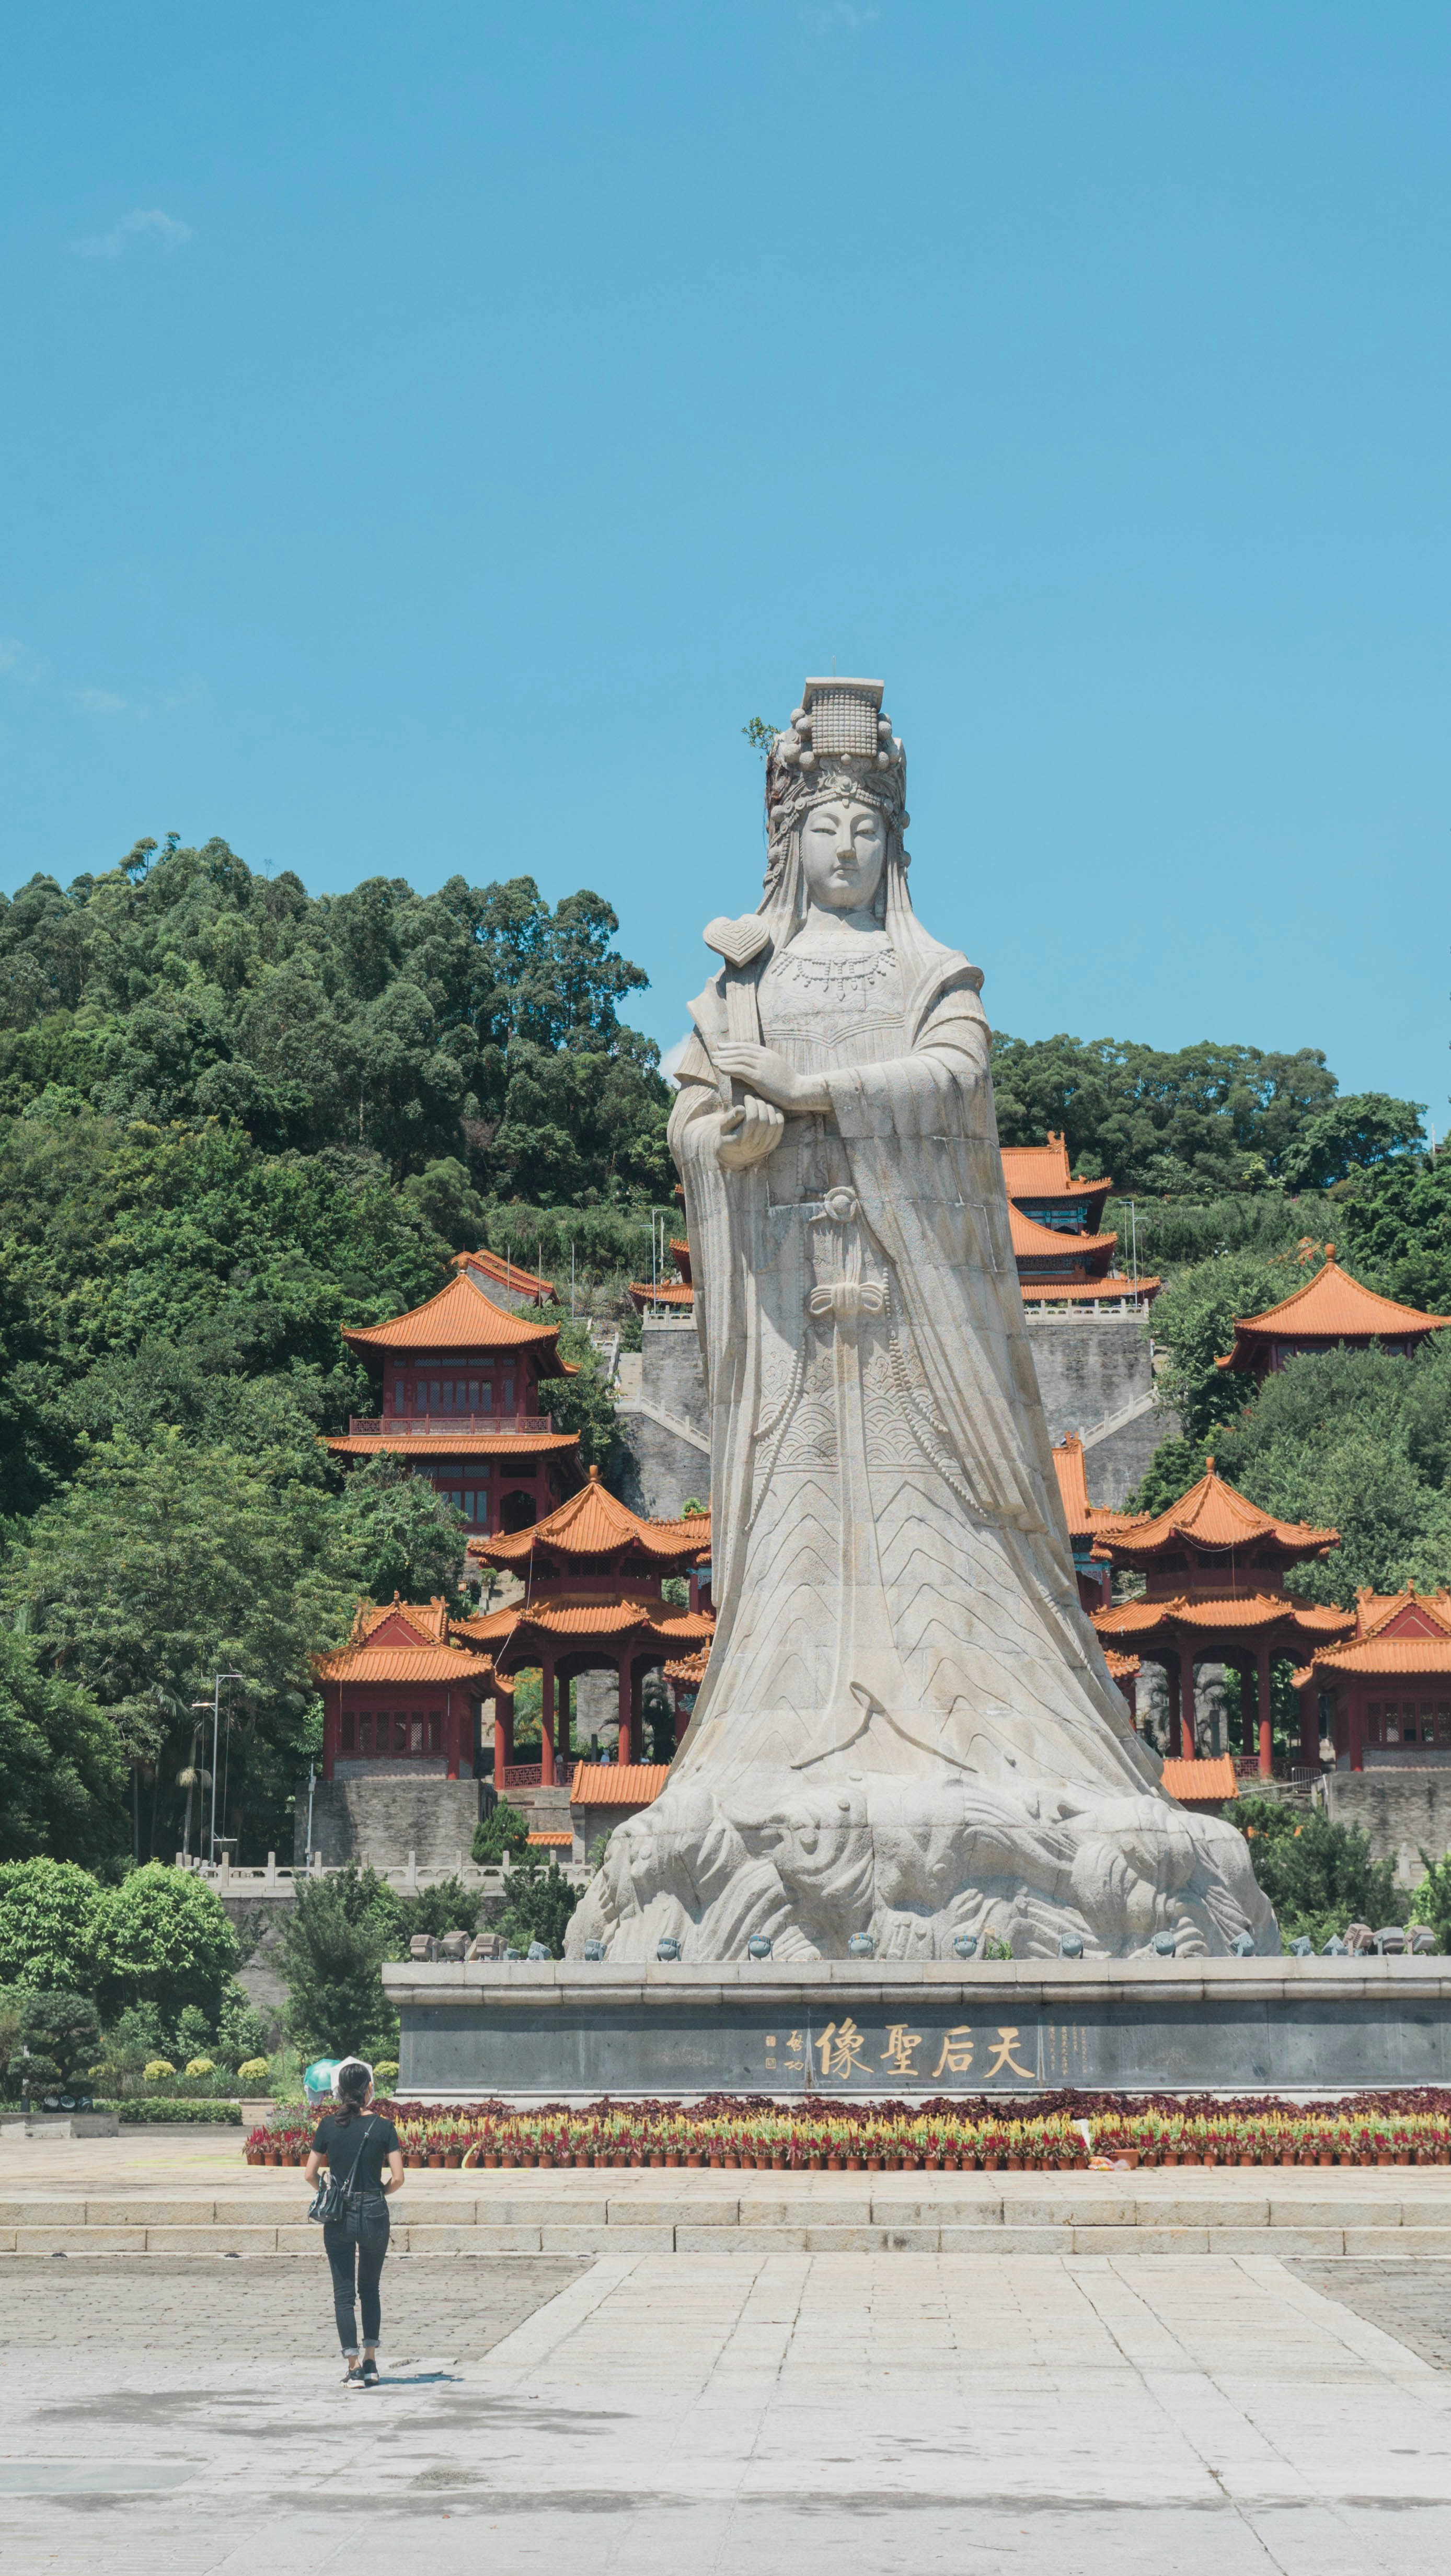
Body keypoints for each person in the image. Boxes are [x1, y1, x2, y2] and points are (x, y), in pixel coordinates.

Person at [303, 2057, 404, 2387]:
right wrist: (378, 2193)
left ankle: (353, 2367)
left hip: (340, 2215)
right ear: (369, 2089)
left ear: (339, 2092)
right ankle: (373, 2363)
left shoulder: (328, 2126)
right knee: (371, 2288)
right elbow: (399, 2178)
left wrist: (329, 2192)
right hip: (375, 2210)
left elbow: (309, 2174)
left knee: (344, 2293)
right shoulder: (384, 2127)